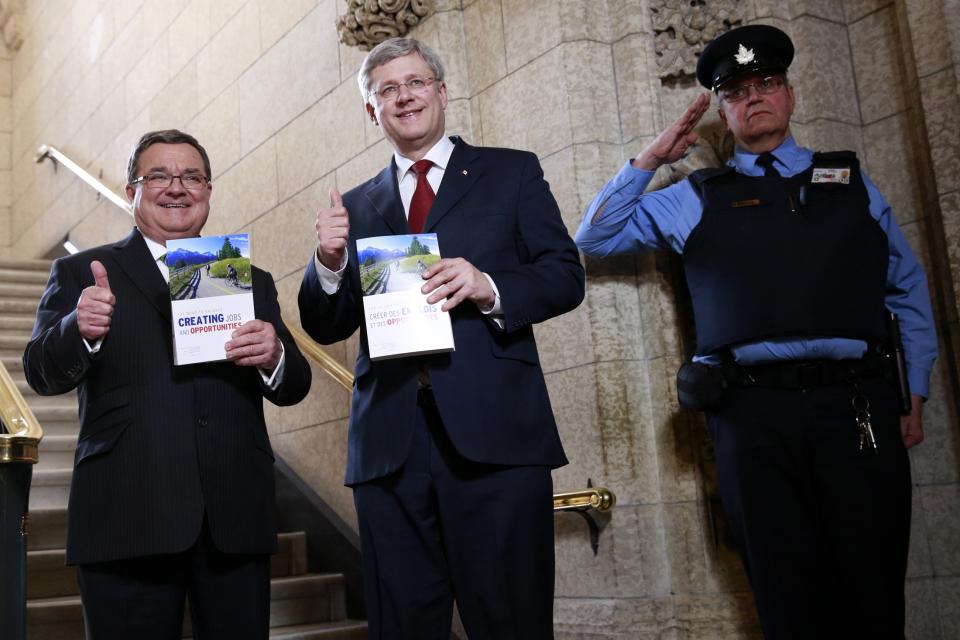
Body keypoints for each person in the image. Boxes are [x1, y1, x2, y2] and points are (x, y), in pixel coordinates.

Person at [575, 24, 937, 640]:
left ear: (790, 95)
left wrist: (916, 392)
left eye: (768, 83)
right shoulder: (695, 195)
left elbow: (905, 288)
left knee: (873, 588)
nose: (755, 97)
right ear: (723, 110)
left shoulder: (851, 183)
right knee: (785, 591)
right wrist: (651, 160)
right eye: (738, 91)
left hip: (857, 406)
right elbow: (596, 238)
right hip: (752, 416)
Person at [298, 37, 584, 640]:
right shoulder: (353, 206)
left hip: (498, 436)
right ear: (371, 111)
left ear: (442, 91)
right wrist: (326, 260)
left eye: (416, 82)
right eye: (387, 90)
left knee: (512, 619)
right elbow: (326, 325)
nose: (405, 97)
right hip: (391, 447)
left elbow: (564, 276)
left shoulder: (512, 171)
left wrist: (487, 285)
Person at [23, 130, 312, 639]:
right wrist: (79, 329)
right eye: (158, 175)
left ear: (208, 190)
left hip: (234, 518)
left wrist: (275, 355)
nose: (176, 188)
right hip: (126, 515)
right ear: (132, 188)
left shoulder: (249, 279)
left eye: (191, 176)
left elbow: (293, 385)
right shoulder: (81, 272)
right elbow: (40, 372)